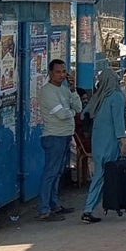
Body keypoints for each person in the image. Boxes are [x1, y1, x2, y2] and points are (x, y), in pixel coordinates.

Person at [80, 68, 126, 224]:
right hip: (110, 142)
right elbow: (118, 123)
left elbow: (84, 114)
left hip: (97, 142)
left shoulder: (98, 98)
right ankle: (88, 209)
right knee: (102, 175)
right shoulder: (116, 97)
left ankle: (97, 205)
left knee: (101, 173)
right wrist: (123, 142)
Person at [37, 60, 81, 221]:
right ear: (50, 73)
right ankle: (44, 209)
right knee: (50, 173)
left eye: (63, 72)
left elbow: (78, 108)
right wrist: (69, 111)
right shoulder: (47, 92)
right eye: (58, 72)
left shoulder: (65, 90)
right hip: (53, 136)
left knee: (57, 173)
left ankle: (54, 204)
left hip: (65, 136)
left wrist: (73, 89)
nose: (61, 75)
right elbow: (62, 115)